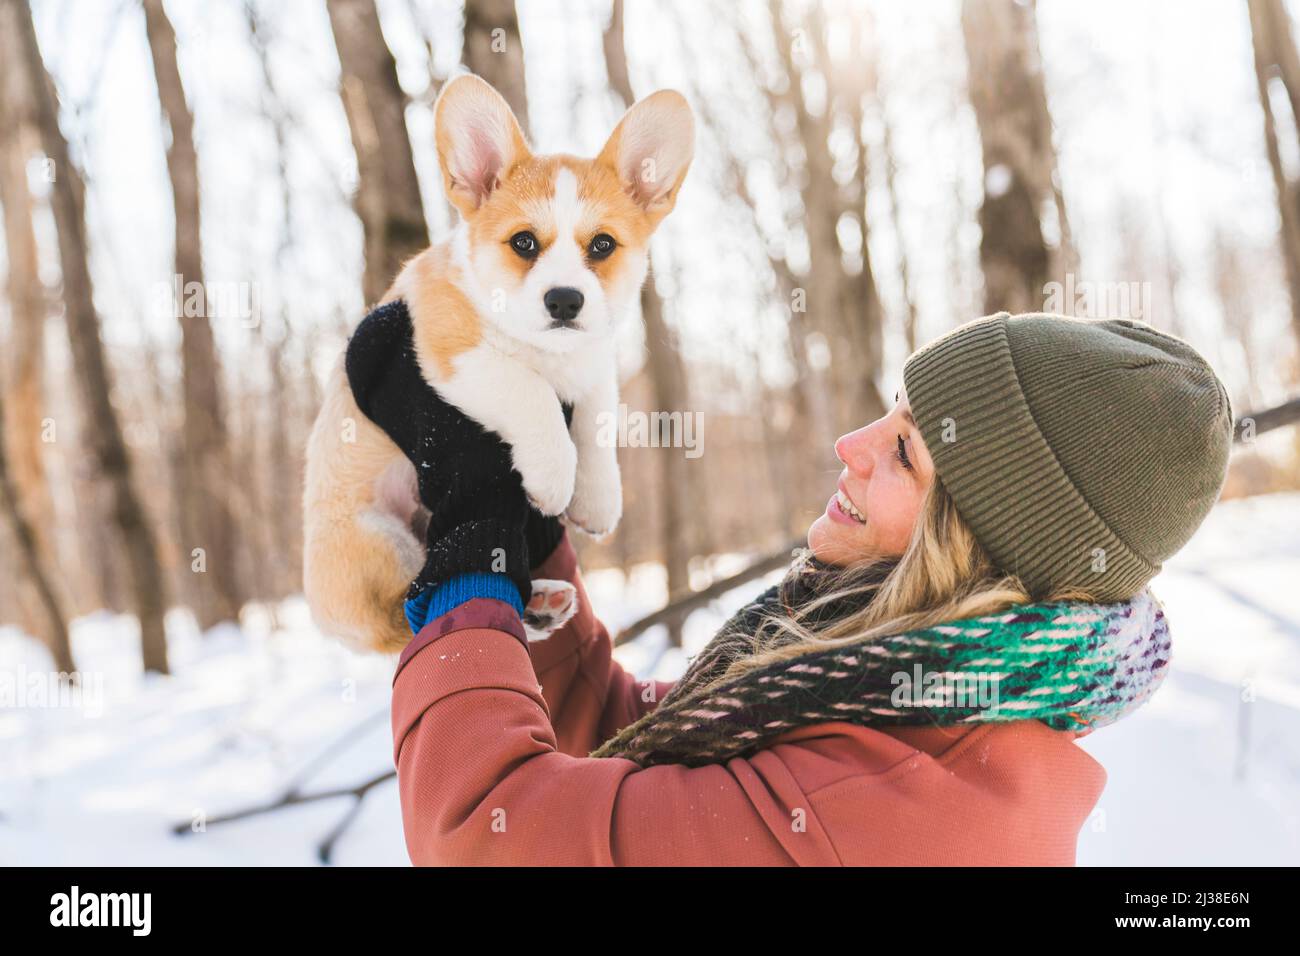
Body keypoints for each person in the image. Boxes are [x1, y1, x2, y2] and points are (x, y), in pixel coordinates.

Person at [344, 306, 1233, 866]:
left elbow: (486, 835)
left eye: (905, 450)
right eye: (888, 409)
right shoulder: (909, 697)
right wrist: (527, 535)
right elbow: (637, 753)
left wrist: (472, 576)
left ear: (976, 546)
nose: (850, 443)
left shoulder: (895, 820)